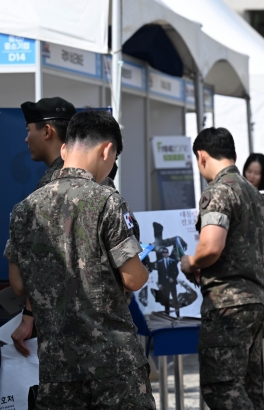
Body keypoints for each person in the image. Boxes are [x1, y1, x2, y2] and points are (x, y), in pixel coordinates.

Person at [6, 109, 155, 408]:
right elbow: (132, 278)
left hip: (57, 369)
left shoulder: (24, 209)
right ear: (108, 150)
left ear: (64, 149)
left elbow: (19, 285)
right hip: (114, 367)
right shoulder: (107, 201)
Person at [180, 127, 264, 409]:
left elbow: (210, 247)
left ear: (202, 156)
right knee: (250, 389)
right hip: (255, 301)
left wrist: (190, 263)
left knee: (221, 389)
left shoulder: (218, 191)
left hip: (227, 304)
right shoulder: (256, 196)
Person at [156, 247, 181, 317]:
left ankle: (178, 314)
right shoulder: (160, 262)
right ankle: (167, 315)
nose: (165, 253)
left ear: (168, 253)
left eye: (166, 252)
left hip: (172, 283)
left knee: (175, 298)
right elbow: (159, 274)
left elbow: (176, 272)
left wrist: (173, 278)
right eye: (164, 252)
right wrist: (160, 284)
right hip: (165, 283)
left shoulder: (173, 261)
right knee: (166, 299)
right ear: (162, 254)